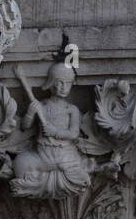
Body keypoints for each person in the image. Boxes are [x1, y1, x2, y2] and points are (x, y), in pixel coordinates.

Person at [11, 62, 91, 197]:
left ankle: (41, 181)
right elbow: (25, 127)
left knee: (81, 176)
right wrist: (30, 113)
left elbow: (74, 133)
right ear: (51, 82)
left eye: (68, 83)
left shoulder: (72, 110)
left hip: (64, 155)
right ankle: (42, 179)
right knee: (20, 164)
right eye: (59, 83)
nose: (64, 87)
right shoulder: (42, 105)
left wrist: (55, 132)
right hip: (42, 154)